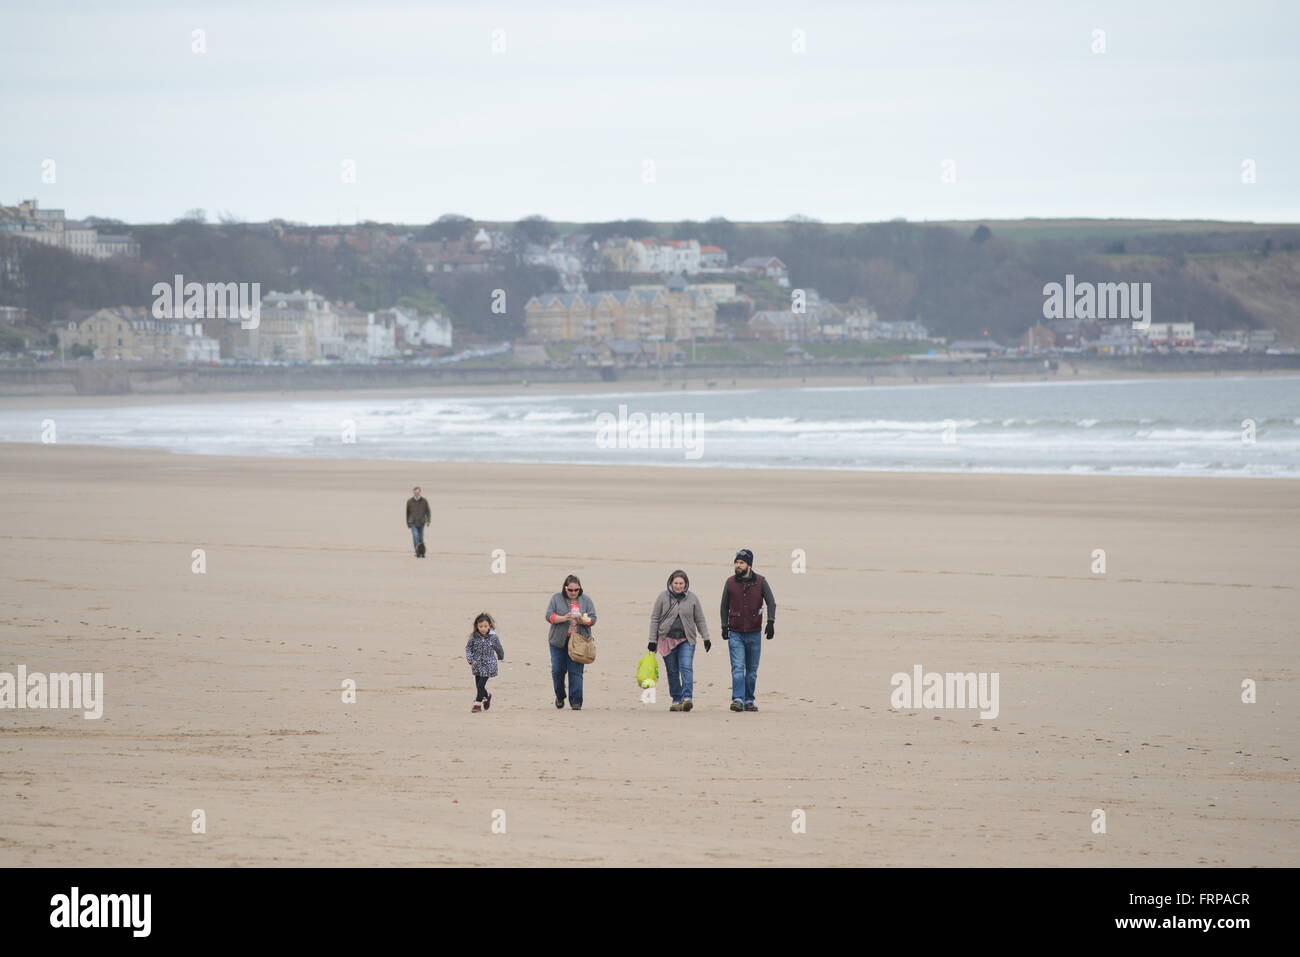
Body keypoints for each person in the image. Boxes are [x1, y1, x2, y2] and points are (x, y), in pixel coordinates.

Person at [720, 548, 776, 712]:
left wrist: (770, 622)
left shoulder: (761, 582)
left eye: (741, 562)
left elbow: (771, 603)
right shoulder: (730, 582)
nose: (738, 565)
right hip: (735, 632)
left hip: (754, 632)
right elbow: (723, 606)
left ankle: (749, 700)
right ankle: (737, 699)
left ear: (749, 565)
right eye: (736, 562)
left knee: (751, 671)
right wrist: (724, 626)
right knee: (738, 668)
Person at [648, 570, 710, 711]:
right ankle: (676, 699)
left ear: (686, 584)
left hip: (686, 640)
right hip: (666, 639)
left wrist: (706, 637)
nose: (678, 586)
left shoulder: (692, 598)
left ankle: (687, 698)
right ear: (671, 583)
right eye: (676, 583)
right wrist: (652, 640)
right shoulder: (662, 597)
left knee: (686, 667)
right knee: (672, 670)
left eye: (681, 583)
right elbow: (654, 618)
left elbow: (700, 619)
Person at [545, 574, 597, 710]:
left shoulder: (586, 600)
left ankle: (576, 702)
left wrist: (583, 620)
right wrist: (564, 618)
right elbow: (549, 616)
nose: (573, 592)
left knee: (576, 672)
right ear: (565, 588)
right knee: (558, 670)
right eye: (570, 590)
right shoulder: (556, 598)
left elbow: (593, 618)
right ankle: (560, 696)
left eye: (576, 590)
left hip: (579, 641)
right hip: (558, 641)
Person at [465, 612, 505, 713]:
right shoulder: (473, 637)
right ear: (477, 626)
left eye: (485, 626)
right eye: (480, 626)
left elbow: (498, 647)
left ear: (489, 626)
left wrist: (501, 656)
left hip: (489, 664)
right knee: (478, 685)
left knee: (480, 685)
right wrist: (470, 660)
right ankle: (486, 697)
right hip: (477, 664)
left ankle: (477, 704)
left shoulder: (493, 637)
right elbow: (468, 648)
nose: (483, 628)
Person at [405, 486, 431, 557]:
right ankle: (417, 551)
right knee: (415, 536)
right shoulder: (409, 501)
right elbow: (407, 512)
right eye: (415, 492)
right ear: (413, 492)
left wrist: (428, 521)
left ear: (420, 492)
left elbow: (428, 511)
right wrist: (407, 522)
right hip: (413, 522)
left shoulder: (424, 501)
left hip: (421, 522)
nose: (416, 493)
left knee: (421, 538)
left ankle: (422, 551)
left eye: (418, 492)